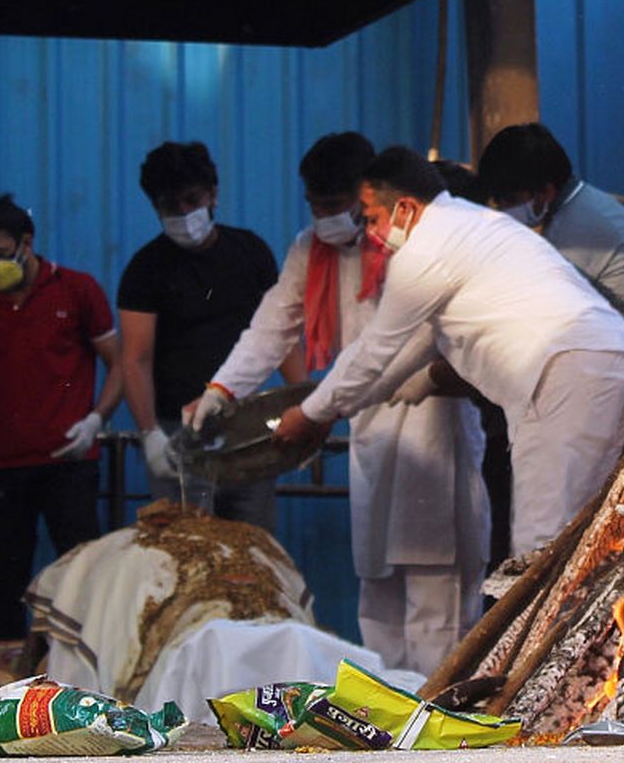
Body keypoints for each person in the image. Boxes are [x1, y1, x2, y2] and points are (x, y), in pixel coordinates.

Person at [185, 133, 488, 674]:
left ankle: (437, 721)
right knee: (377, 585)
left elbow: (395, 346)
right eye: (315, 206)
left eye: (337, 205)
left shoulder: (409, 244)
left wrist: (319, 410)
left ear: (366, 196)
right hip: (365, 423)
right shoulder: (310, 249)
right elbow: (274, 325)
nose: (326, 217)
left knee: (434, 585)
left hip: (432, 420)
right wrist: (221, 389)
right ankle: (391, 724)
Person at [274, 147, 624, 557]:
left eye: (372, 217)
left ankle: (548, 622)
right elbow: (409, 351)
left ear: (404, 208)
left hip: (567, 374)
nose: (370, 232)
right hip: (619, 366)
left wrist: (311, 413)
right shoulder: (475, 228)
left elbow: (374, 350)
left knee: (541, 546)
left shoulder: (423, 252)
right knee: (588, 538)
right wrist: (337, 409)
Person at [0, 195, 122, 641]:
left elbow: (120, 364)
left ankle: (88, 681)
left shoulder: (78, 290)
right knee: (5, 582)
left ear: (27, 242)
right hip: (3, 467)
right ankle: (6, 692)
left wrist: (96, 419)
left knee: (84, 579)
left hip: (70, 462)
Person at [117, 142, 279, 527]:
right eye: (171, 206)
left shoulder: (251, 252)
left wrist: (305, 409)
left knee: (253, 554)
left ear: (214, 194)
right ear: (155, 208)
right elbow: (135, 359)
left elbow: (283, 336)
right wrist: (150, 435)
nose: (185, 213)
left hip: (247, 432)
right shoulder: (144, 269)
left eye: (193, 199)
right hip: (178, 438)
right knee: (183, 559)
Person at [476, 123, 624, 358]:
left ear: (545, 192)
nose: (502, 209)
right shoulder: (578, 205)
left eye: (510, 200)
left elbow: (542, 313)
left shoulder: (577, 228)